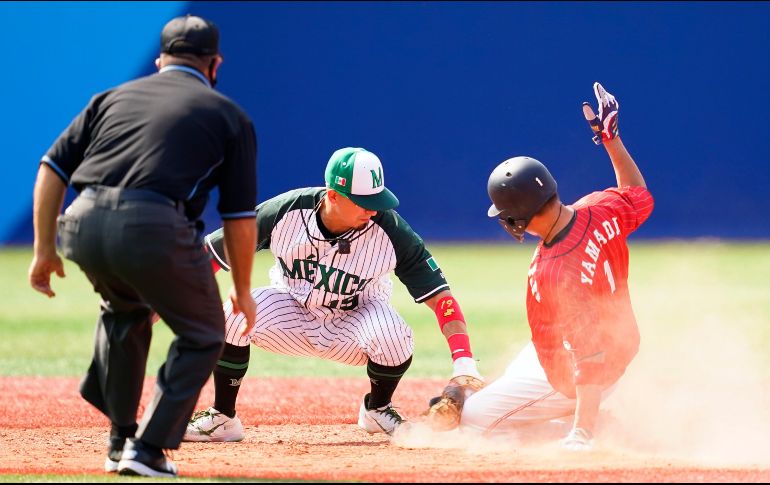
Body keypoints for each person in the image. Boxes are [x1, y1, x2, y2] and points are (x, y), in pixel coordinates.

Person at [27, 15, 258, 477]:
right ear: (215, 64)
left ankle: (121, 442)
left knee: (125, 313)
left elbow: (52, 167)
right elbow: (238, 218)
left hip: (81, 222)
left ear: (159, 61)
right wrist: (243, 288)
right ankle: (149, 449)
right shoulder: (229, 116)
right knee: (206, 333)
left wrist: (44, 248)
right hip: (151, 224)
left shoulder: (110, 98)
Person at [183, 146, 483, 442]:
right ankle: (223, 417)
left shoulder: (391, 232)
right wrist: (160, 302)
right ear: (333, 195)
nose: (372, 209)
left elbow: (441, 297)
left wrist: (464, 360)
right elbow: (209, 253)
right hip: (292, 312)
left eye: (376, 200)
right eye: (363, 201)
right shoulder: (286, 211)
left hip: (355, 324)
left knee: (395, 335)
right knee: (233, 312)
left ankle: (377, 408)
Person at [460, 82, 654, 450]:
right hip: (617, 346)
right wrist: (611, 140)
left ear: (519, 216)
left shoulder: (556, 271)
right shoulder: (598, 208)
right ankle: (572, 417)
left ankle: (579, 426)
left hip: (585, 376)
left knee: (474, 419)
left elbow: (589, 355)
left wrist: (583, 431)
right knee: (518, 366)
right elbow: (638, 195)